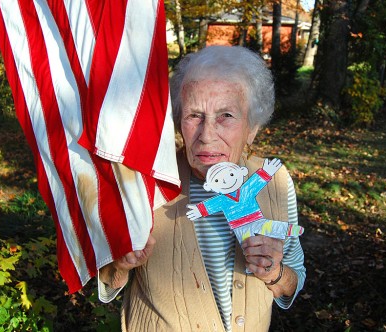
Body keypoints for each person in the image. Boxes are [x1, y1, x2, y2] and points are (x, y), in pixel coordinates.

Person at [98, 45, 306, 331]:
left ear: (253, 126)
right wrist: (121, 263)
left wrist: (275, 273)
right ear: (178, 121)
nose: (207, 136)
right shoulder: (147, 179)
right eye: (194, 115)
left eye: (226, 116)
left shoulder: (276, 181)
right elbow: (106, 282)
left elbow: (294, 278)